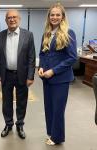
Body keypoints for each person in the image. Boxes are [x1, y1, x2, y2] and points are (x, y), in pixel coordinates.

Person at [38, 3, 77, 145]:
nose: (54, 17)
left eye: (57, 14)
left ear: (62, 17)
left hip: (60, 79)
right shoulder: (46, 34)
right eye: (52, 15)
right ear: (49, 17)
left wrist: (53, 71)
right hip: (46, 78)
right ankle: (51, 133)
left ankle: (57, 137)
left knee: (58, 109)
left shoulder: (68, 32)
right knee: (49, 107)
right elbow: (42, 54)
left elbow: (72, 57)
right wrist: (41, 67)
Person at [0, 9, 36, 139]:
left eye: (14, 17)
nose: (12, 19)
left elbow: (31, 57)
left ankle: (20, 125)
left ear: (19, 19)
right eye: (9, 17)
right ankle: (8, 124)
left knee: (21, 102)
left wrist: (30, 76)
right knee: (6, 102)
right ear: (6, 20)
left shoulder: (28, 35)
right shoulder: (0, 35)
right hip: (6, 74)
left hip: (22, 75)